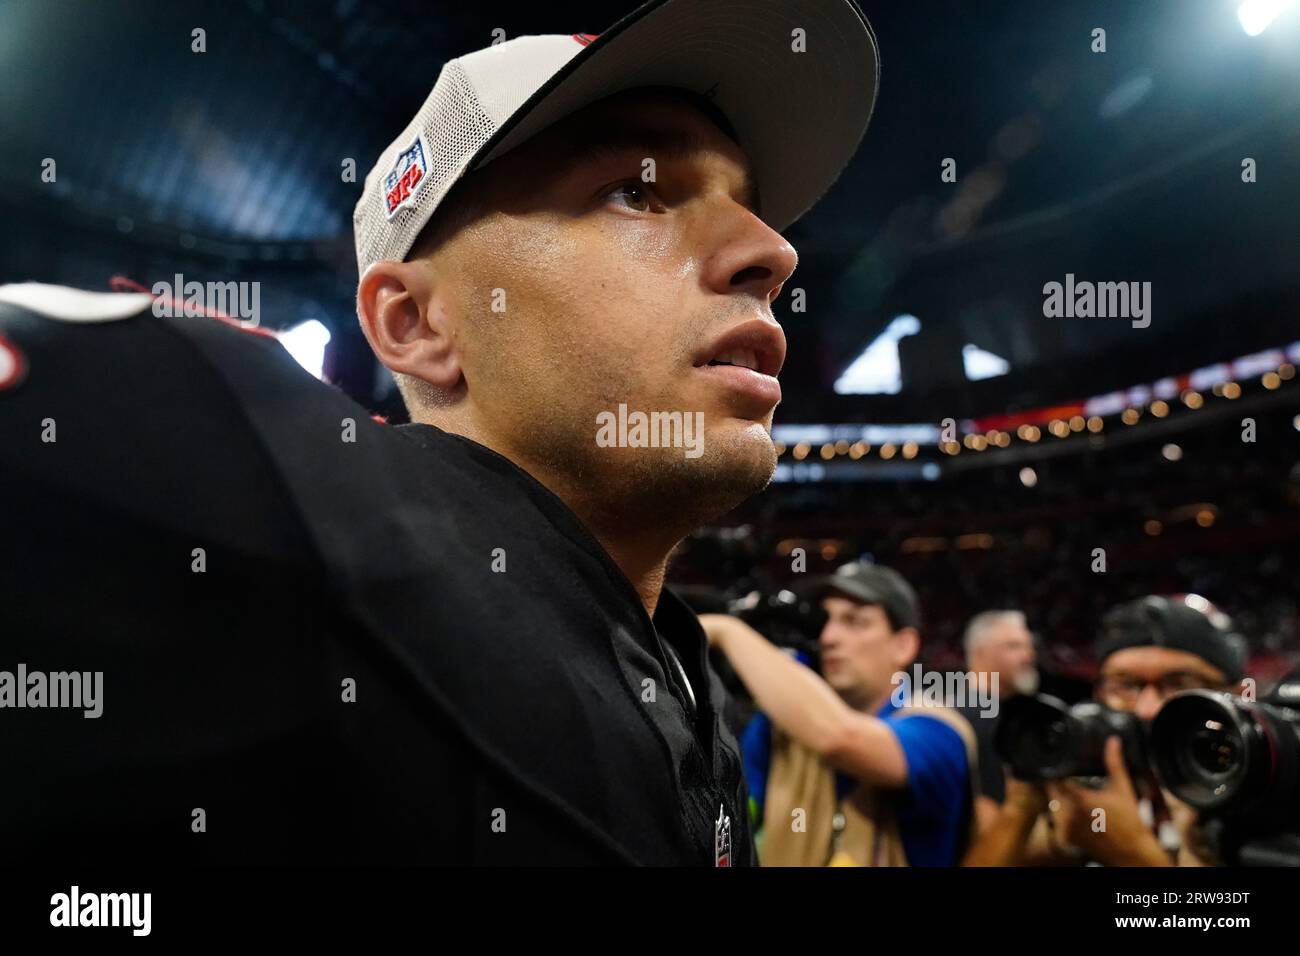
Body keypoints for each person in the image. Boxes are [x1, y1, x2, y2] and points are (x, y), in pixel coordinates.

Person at [0, 0, 880, 864]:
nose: (773, 250)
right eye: (636, 192)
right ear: (416, 324)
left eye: (751, 203)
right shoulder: (279, 496)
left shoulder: (676, 661)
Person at [701, 562, 978, 866]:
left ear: (903, 646)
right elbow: (735, 814)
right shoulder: (776, 726)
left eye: (854, 621)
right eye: (826, 621)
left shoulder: (939, 731)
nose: (829, 637)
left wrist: (730, 631)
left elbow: (841, 738)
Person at [963, 595, 1248, 867]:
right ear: (1099, 693)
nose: (1146, 709)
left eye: (1179, 683)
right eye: (1125, 684)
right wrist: (1020, 808)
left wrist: (1133, 855)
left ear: (1234, 696)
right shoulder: (1090, 793)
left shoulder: (1259, 795)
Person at [956, 610, 1037, 830]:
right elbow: (987, 811)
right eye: (1014, 646)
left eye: (1028, 646)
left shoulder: (1007, 712)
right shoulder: (972, 716)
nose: (1028, 656)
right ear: (980, 653)